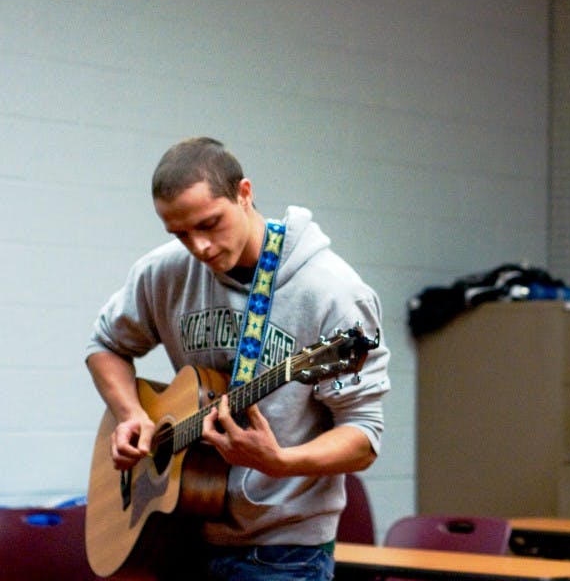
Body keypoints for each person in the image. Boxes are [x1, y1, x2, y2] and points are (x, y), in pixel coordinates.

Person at [85, 137, 390, 581]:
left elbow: (364, 435)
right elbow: (104, 345)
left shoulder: (334, 293)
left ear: (244, 193)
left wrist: (280, 461)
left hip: (283, 551)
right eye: (181, 234)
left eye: (210, 223)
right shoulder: (163, 272)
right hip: (179, 533)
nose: (200, 248)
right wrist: (131, 414)